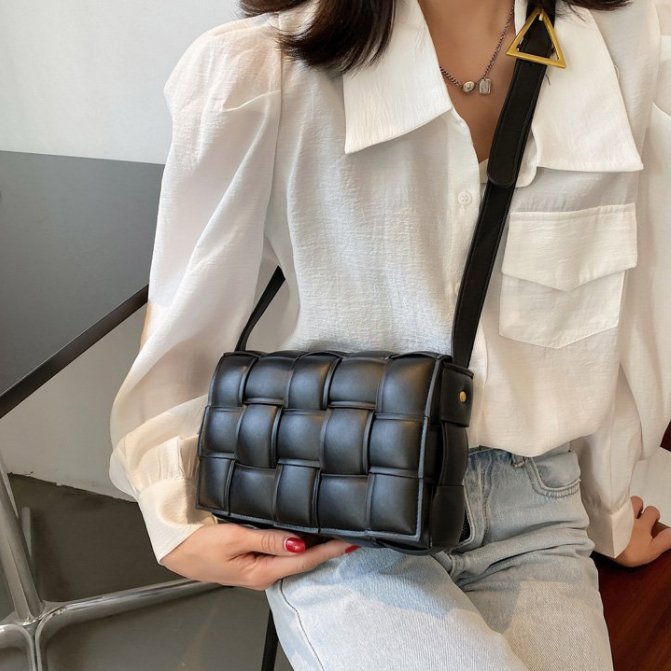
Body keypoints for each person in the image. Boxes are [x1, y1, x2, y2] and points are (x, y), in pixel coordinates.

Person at [108, 0, 671, 668]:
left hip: (538, 508)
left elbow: (630, 302)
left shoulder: (619, 38)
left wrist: (606, 508)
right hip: (340, 502)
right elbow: (186, 319)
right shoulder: (261, 70)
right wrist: (172, 510)